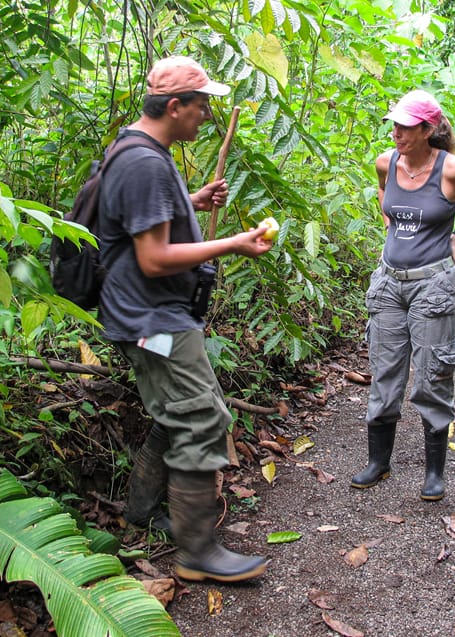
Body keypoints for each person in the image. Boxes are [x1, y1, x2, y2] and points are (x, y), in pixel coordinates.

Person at [99, 56, 274, 583]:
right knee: (199, 416)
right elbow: (153, 258)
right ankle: (197, 550)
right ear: (174, 107)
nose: (207, 114)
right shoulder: (146, 163)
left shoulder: (139, 149)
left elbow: (141, 228)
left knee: (174, 410)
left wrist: (191, 201)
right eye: (200, 105)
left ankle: (143, 509)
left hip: (145, 312)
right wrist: (235, 245)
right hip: (152, 319)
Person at [350, 89, 455, 502]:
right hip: (388, 283)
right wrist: (391, 225)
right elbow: (385, 192)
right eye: (394, 125)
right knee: (385, 372)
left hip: (433, 284)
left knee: (433, 374)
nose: (396, 132)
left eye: (405, 126)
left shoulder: (451, 171)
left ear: (427, 129)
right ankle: (379, 462)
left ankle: (435, 473)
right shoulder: (386, 162)